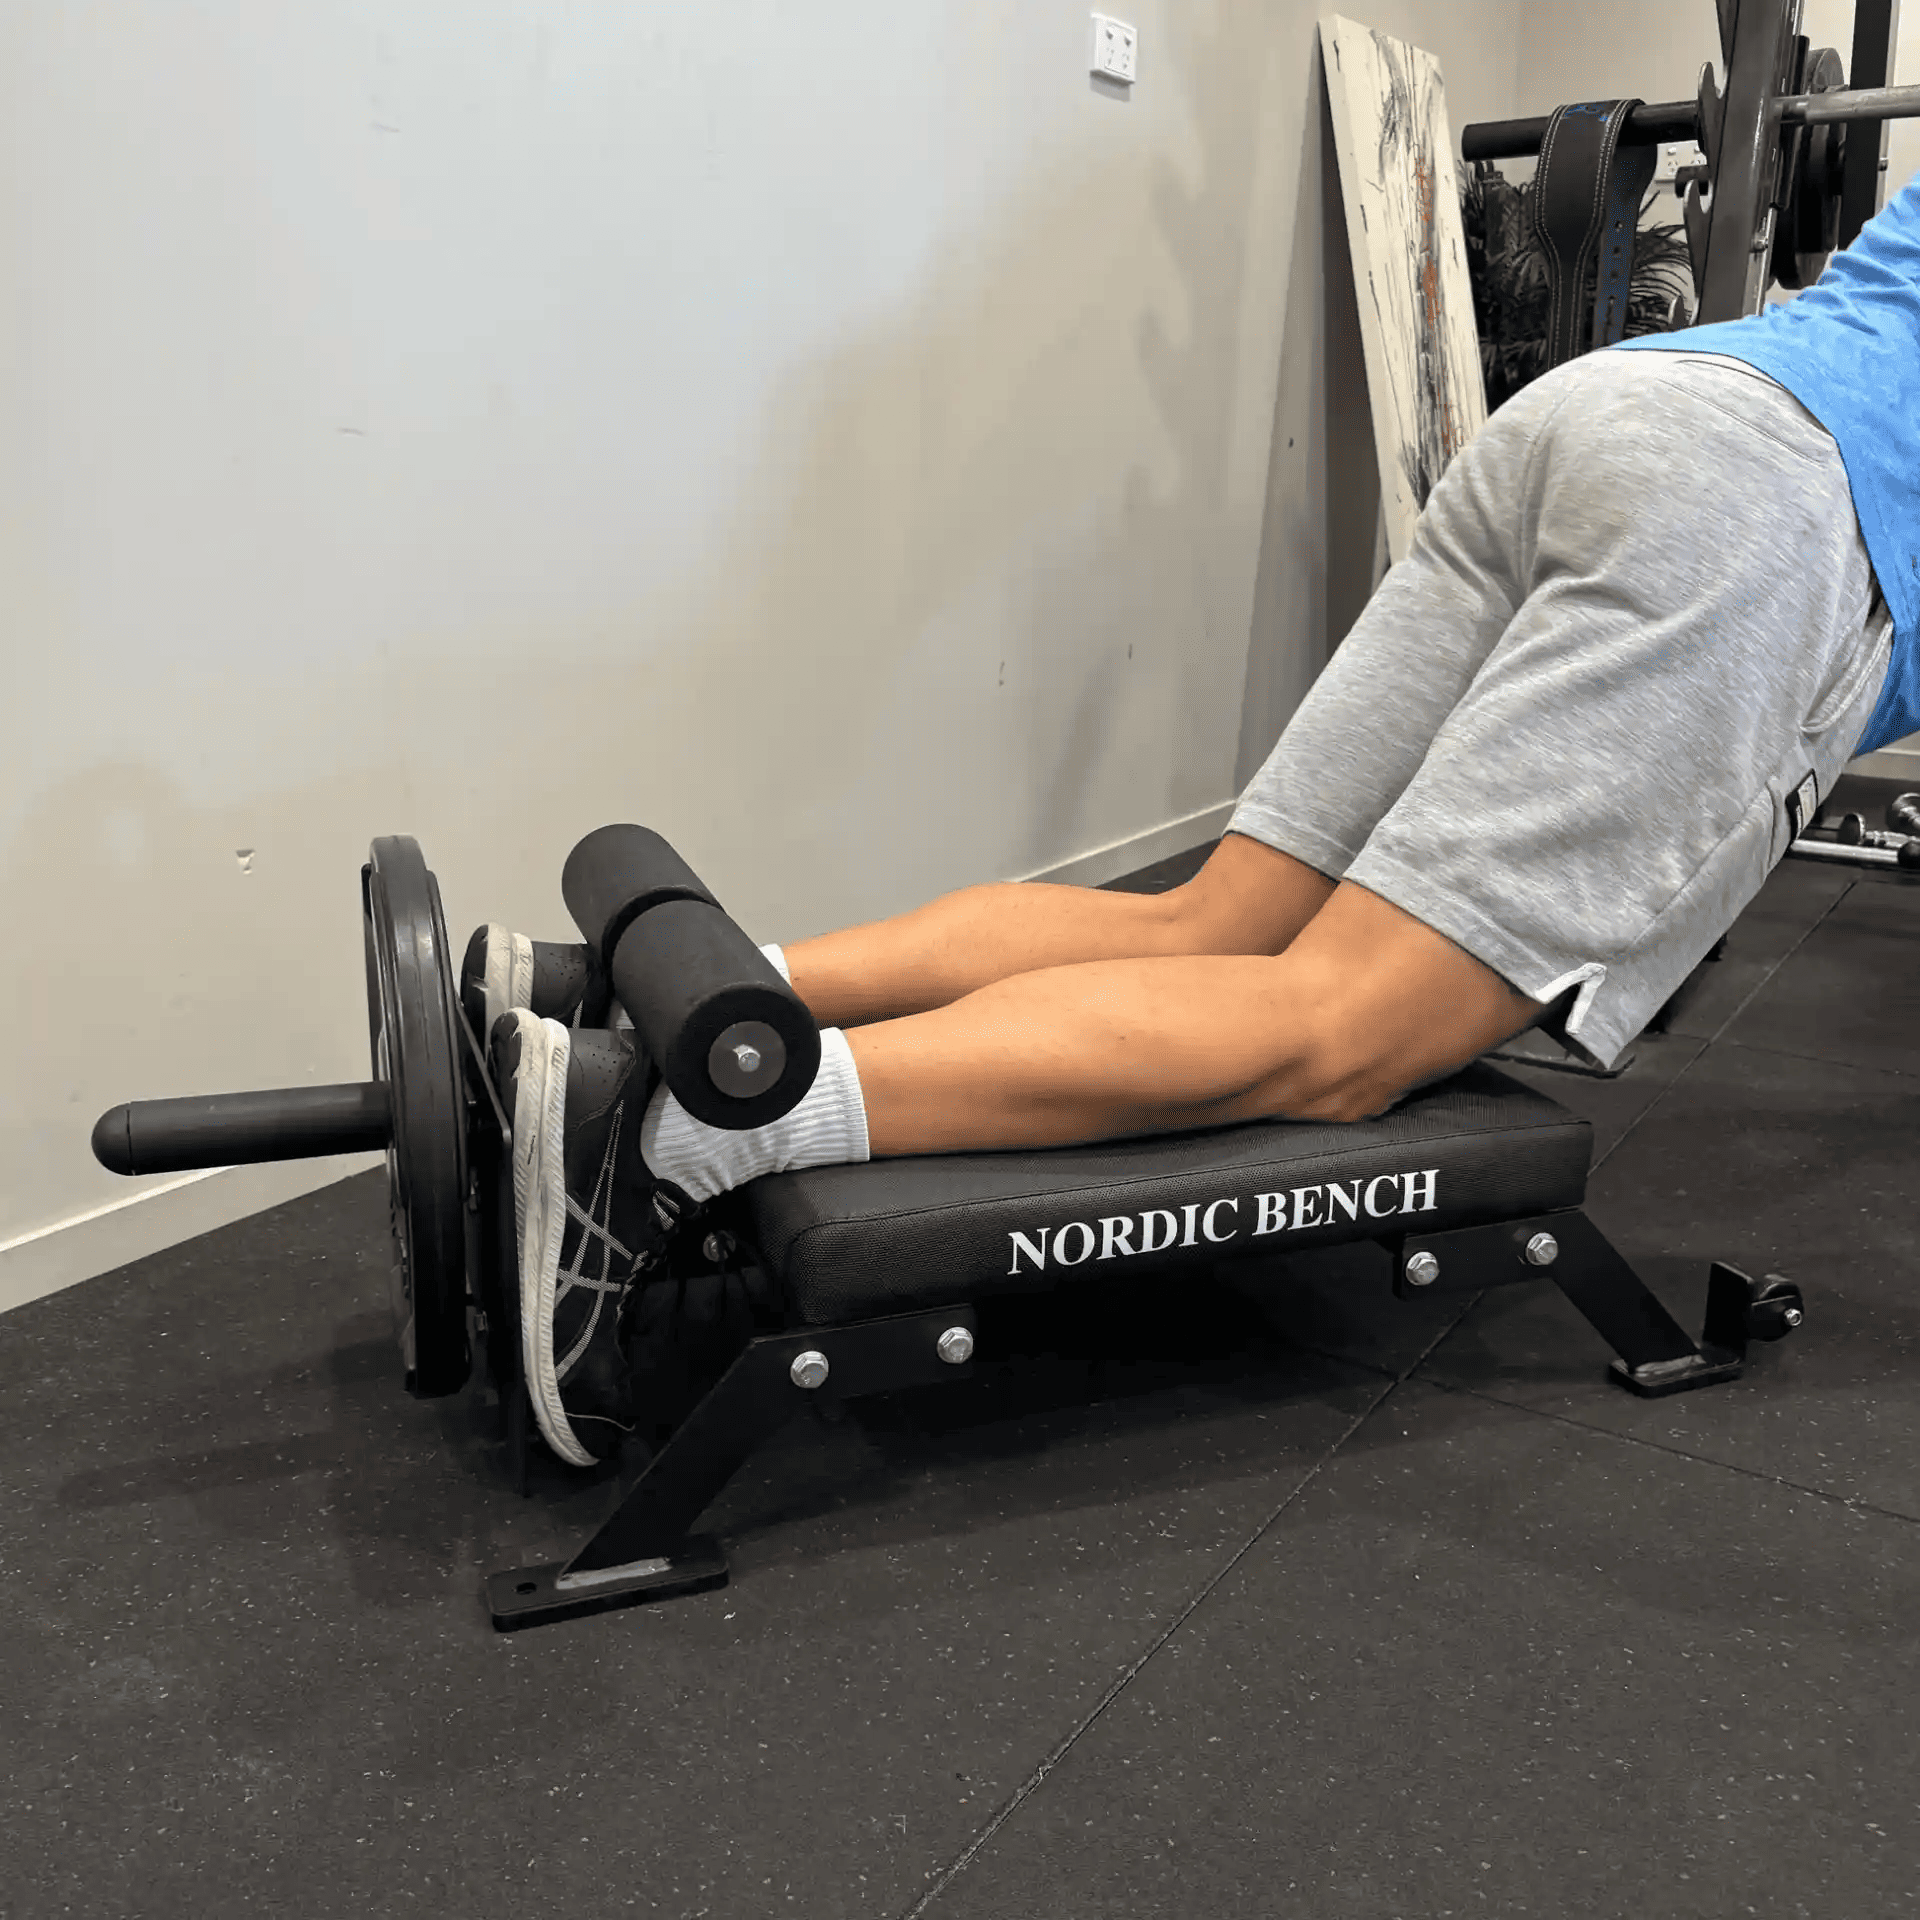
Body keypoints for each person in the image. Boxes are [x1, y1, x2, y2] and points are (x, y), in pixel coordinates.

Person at [479, 168, 1920, 1468]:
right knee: (1345, 1024)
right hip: (1782, 513)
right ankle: (687, 1133)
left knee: (1215, 919)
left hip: (1633, 406)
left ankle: (640, 1000)